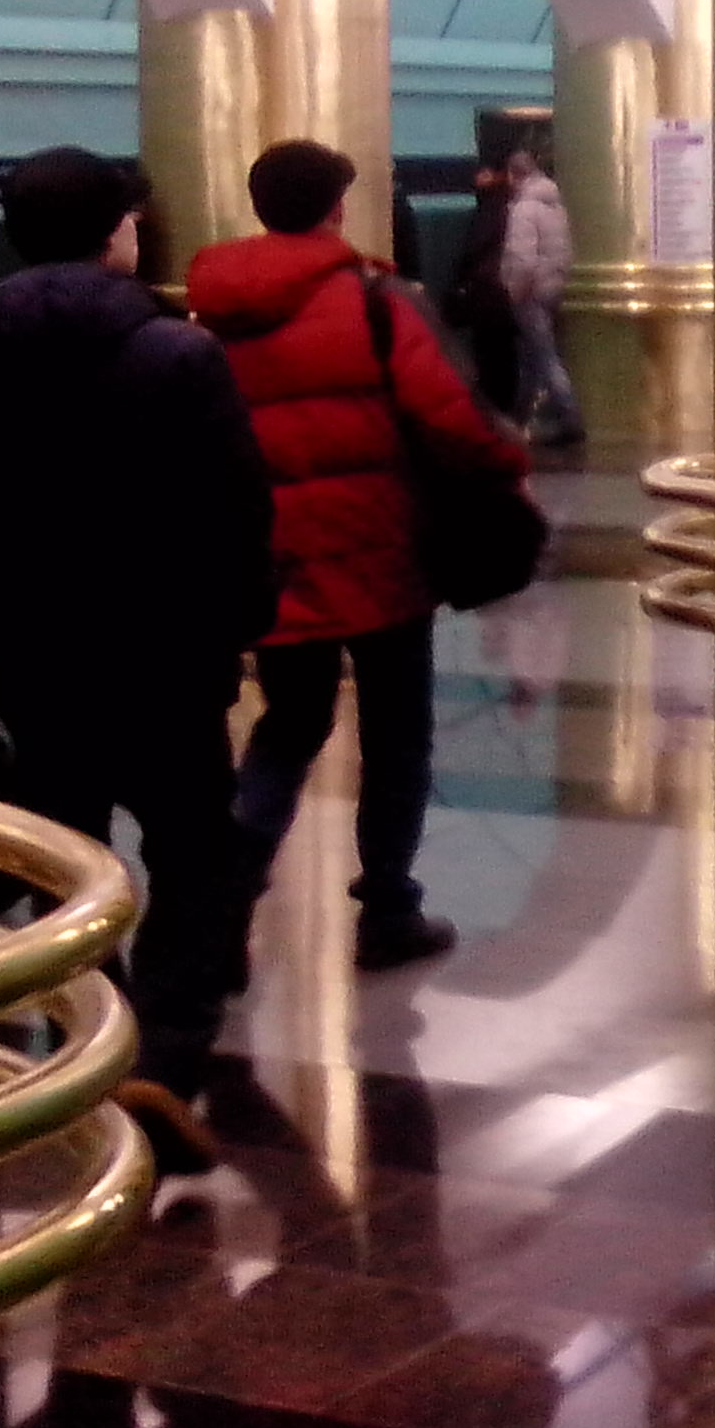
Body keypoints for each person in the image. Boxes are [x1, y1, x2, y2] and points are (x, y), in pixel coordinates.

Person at [0, 147, 277, 1177]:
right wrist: (241, 625)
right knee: (196, 857)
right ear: (116, 232)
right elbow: (237, 509)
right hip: (167, 655)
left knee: (66, 858)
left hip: (36, 656)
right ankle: (169, 1059)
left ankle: (103, 1035)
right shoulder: (178, 357)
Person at [188, 140, 532, 970]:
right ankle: (387, 912)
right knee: (398, 737)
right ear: (337, 207)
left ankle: (225, 905)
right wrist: (510, 462)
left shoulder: (211, 311)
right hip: (382, 553)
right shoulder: (377, 301)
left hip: (274, 557)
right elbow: (450, 416)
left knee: (287, 728)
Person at [498, 146, 584, 445]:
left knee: (544, 357)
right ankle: (518, 418)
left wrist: (515, 290)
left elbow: (522, 258)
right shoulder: (555, 206)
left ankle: (570, 419)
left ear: (514, 175)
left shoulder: (523, 209)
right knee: (532, 357)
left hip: (531, 292)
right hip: (553, 286)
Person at [447, 163, 521, 417]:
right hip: (503, 290)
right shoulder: (509, 205)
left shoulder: (490, 207)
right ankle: (505, 404)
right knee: (504, 351)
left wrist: (460, 276)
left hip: (488, 291)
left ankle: (495, 406)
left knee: (491, 351)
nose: (478, 177)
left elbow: (474, 247)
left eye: (484, 172)